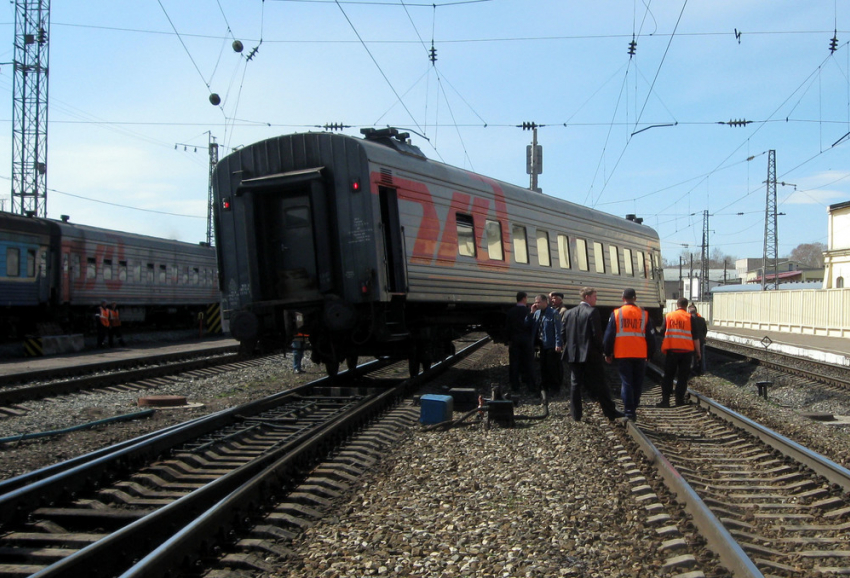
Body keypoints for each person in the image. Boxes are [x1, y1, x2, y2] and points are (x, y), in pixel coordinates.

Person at [562, 287, 623, 422]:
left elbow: (563, 334)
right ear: (587, 297)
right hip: (590, 354)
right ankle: (610, 412)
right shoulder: (592, 312)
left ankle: (576, 414)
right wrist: (604, 351)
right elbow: (597, 335)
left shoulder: (569, 313)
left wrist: (570, 347)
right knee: (600, 383)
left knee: (575, 384)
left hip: (573, 354)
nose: (596, 299)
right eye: (595, 296)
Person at [603, 288, 656, 421]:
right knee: (638, 382)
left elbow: (609, 336)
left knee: (627, 382)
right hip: (640, 353)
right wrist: (650, 354)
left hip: (623, 353)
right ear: (635, 298)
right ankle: (635, 405)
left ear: (623, 298)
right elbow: (651, 337)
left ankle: (629, 411)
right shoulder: (644, 314)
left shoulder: (617, 313)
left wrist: (607, 352)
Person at [658, 297, 702, 407]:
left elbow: (662, 331)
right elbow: (695, 337)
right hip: (686, 352)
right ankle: (679, 400)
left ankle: (666, 401)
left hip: (672, 351)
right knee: (683, 377)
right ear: (686, 306)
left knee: (668, 376)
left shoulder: (669, 316)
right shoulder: (690, 317)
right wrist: (698, 352)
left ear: (677, 305)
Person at [528, 294, 562, 397]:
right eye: (535, 302)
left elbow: (558, 330)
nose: (536, 304)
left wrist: (558, 343)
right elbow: (528, 324)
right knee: (543, 367)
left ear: (545, 302)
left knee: (552, 367)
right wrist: (531, 312)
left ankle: (555, 387)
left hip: (551, 344)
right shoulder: (537, 313)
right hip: (542, 344)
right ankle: (545, 386)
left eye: (538, 302)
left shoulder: (553, 313)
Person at [505, 291, 536, 394]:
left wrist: (508, 340)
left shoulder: (510, 312)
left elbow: (507, 328)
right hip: (526, 340)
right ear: (523, 299)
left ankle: (515, 385)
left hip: (514, 340)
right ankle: (530, 385)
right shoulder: (528, 311)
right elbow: (532, 326)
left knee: (514, 363)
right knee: (528, 362)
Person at [549, 291, 569, 394]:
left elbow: (562, 328)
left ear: (560, 299)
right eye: (552, 298)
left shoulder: (563, 311)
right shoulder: (555, 309)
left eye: (555, 298)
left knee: (558, 364)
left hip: (559, 341)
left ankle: (559, 383)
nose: (552, 300)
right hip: (555, 340)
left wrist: (560, 342)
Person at [688, 303, 708, 375]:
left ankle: (693, 369)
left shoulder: (688, 319)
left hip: (691, 340)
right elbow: (705, 330)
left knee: (692, 356)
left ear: (689, 312)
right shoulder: (702, 319)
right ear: (696, 311)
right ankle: (702, 370)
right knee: (701, 356)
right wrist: (703, 336)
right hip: (701, 340)